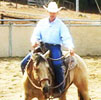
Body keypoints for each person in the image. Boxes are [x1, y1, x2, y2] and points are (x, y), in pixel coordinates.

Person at [21, 2, 74, 94]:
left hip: (55, 47)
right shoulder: (42, 23)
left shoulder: (60, 24)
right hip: (41, 46)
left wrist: (70, 47)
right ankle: (29, 84)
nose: (52, 14)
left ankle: (60, 88)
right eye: (51, 12)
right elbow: (35, 35)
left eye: (54, 12)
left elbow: (66, 37)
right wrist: (34, 41)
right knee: (24, 63)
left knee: (57, 64)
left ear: (57, 13)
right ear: (48, 12)